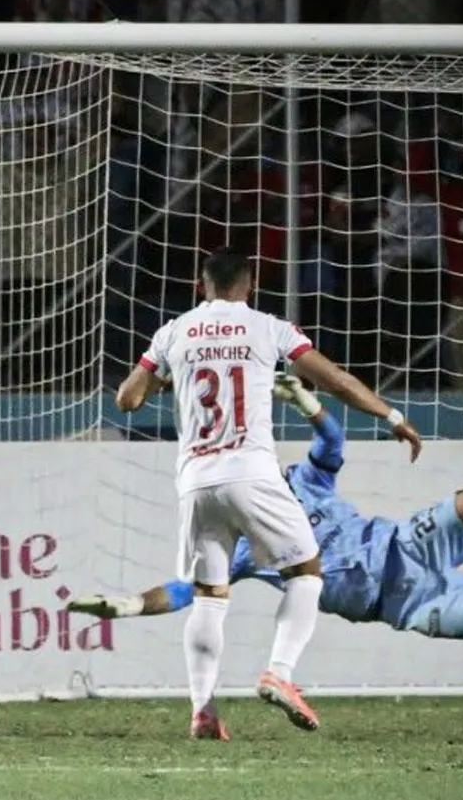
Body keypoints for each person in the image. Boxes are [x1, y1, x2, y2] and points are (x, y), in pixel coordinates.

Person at [71, 374, 463, 654]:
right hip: (402, 604)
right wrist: (127, 605)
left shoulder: (300, 481)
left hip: (405, 546)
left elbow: (331, 449)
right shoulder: (245, 548)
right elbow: (185, 591)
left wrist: (309, 404)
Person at [117, 246, 422, 740]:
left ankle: (203, 712)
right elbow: (339, 383)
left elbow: (127, 399)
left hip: (196, 480)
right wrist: (394, 418)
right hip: (253, 472)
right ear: (250, 285)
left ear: (202, 286)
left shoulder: (172, 331)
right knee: (306, 571)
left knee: (209, 596)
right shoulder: (269, 327)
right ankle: (279, 671)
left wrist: (172, 376)